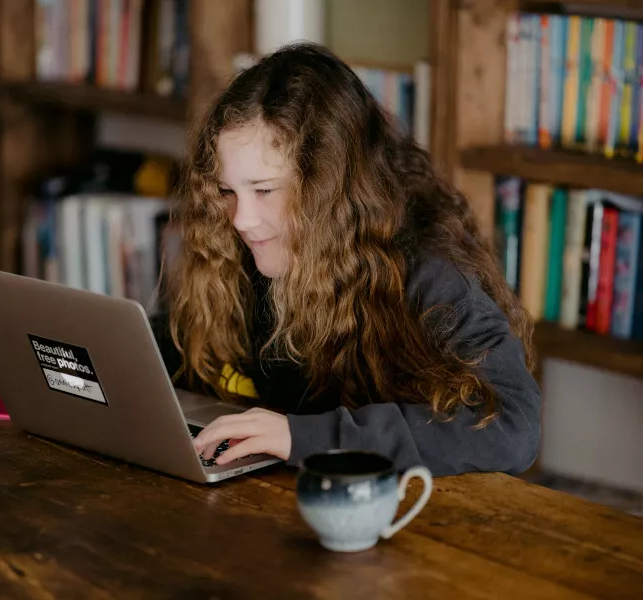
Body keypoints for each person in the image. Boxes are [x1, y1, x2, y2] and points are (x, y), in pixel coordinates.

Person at [149, 42, 541, 477]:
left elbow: (512, 426)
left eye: (264, 191)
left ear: (329, 188)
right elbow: (180, 347)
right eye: (227, 191)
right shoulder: (250, 247)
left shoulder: (430, 268)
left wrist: (306, 437)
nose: (242, 220)